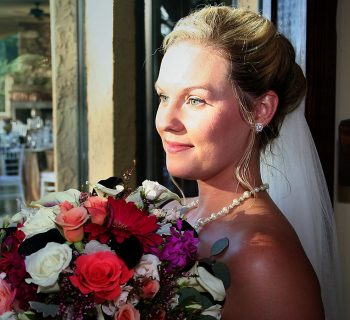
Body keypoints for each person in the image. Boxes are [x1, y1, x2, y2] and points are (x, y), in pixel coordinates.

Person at [155, 6, 336, 319]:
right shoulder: (171, 213)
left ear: (261, 109)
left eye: (195, 100)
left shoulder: (264, 259)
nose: (167, 121)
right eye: (163, 97)